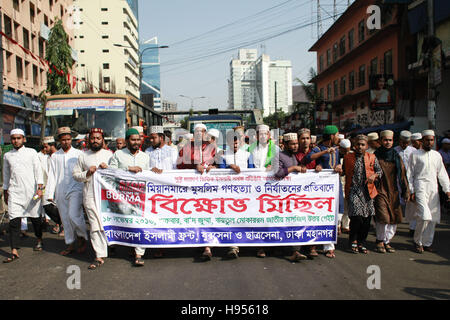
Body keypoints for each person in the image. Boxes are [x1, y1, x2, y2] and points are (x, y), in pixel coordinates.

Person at [109, 128, 150, 266]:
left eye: (138, 139)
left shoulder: (145, 156)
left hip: (140, 196)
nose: (136, 142)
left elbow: (148, 174)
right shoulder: (118, 154)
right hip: (122, 196)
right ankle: (129, 245)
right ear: (127, 141)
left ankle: (139, 254)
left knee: (140, 222)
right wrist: (127, 170)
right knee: (128, 222)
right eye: (133, 139)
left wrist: (155, 172)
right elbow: (110, 172)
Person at [72, 128, 112, 269]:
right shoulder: (83, 156)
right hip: (89, 194)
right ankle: (99, 255)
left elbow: (118, 173)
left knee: (105, 222)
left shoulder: (109, 155)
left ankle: (107, 245)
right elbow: (76, 175)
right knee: (94, 225)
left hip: (107, 196)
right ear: (89, 140)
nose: (95, 141)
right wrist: (87, 173)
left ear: (103, 140)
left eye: (98, 138)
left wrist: (108, 169)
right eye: (93, 138)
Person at [2, 129, 44, 263]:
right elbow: (6, 174)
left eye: (18, 138)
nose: (16, 141)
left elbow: (38, 170)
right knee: (14, 222)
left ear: (24, 139)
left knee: (36, 220)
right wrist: (5, 191)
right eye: (13, 138)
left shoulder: (31, 152)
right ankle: (14, 250)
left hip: (31, 193)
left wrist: (39, 188)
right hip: (15, 192)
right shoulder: (7, 155)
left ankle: (38, 239)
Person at [46, 127, 88, 256]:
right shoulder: (54, 156)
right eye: (63, 140)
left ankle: (82, 237)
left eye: (68, 139)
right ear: (59, 141)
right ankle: (70, 243)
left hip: (76, 188)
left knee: (73, 215)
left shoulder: (79, 154)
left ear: (72, 139)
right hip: (61, 190)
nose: (66, 142)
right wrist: (49, 193)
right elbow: (52, 175)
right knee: (65, 218)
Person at [408, 130, 450, 253]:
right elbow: (409, 174)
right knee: (425, 216)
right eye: (427, 140)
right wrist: (411, 191)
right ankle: (417, 241)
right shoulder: (415, 155)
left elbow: (442, 174)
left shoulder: (437, 155)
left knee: (433, 219)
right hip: (420, 187)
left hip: (433, 188)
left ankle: (427, 243)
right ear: (422, 141)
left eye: (432, 140)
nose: (429, 142)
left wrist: (447, 190)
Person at [304, 125, 343, 258]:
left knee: (333, 214)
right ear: (331, 136)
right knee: (320, 214)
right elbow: (310, 157)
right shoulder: (319, 148)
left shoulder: (337, 149)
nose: (338, 137)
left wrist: (339, 167)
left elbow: (338, 163)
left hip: (333, 185)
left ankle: (329, 246)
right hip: (321, 188)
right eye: (337, 134)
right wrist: (324, 155)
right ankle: (315, 244)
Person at [343, 135, 382, 254]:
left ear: (367, 146)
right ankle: (353, 240)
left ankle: (361, 242)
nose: (360, 147)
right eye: (358, 144)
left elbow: (379, 171)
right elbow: (343, 171)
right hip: (354, 190)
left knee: (366, 219)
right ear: (354, 145)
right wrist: (339, 169)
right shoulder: (348, 157)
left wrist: (374, 176)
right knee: (356, 217)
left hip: (368, 191)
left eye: (362, 145)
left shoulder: (372, 157)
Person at [217, 134, 255, 260]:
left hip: (245, 191)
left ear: (240, 142)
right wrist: (230, 166)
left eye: (236, 143)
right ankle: (233, 246)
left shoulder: (248, 155)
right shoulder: (223, 155)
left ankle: (247, 244)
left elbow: (252, 170)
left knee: (244, 217)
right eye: (232, 143)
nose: (234, 145)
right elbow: (221, 171)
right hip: (228, 192)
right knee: (231, 218)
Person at [373, 130, 410, 254]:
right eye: (385, 140)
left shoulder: (396, 156)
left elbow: (403, 175)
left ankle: (387, 241)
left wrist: (405, 190)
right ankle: (379, 240)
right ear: (381, 141)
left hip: (394, 190)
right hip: (380, 189)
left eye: (390, 140)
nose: (388, 142)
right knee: (383, 217)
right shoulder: (375, 155)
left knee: (394, 217)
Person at [275, 132, 309, 262]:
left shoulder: (298, 155)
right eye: (292, 144)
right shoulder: (279, 156)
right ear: (285, 144)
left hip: (295, 196)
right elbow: (278, 173)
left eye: (296, 144)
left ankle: (296, 250)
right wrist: (293, 168)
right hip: (280, 195)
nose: (295, 146)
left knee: (296, 220)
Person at [295, 128, 319, 257]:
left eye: (307, 138)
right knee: (298, 218)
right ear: (298, 140)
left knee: (311, 218)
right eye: (303, 138)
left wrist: (319, 167)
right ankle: (298, 247)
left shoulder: (316, 153)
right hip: (297, 193)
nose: (305, 141)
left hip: (313, 192)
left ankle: (311, 246)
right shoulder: (294, 154)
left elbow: (322, 165)